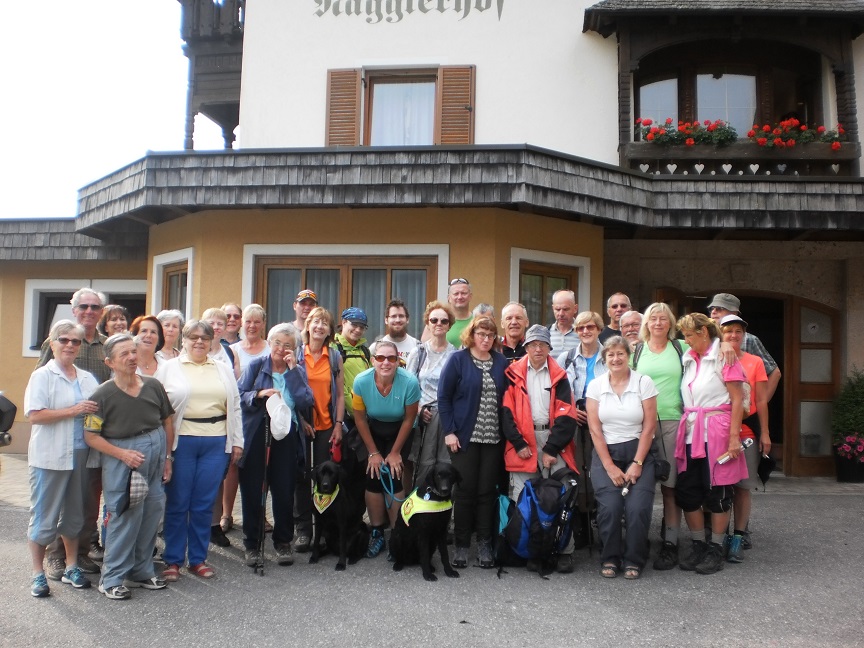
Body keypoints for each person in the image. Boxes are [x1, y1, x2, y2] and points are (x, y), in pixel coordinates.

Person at [83, 333, 175, 600]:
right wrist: (122, 454)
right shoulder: (101, 395)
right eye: (124, 354)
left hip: (155, 455)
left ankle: (140, 571)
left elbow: (167, 421)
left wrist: (167, 458)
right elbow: (91, 437)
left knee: (151, 514)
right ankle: (111, 579)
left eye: (133, 352)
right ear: (110, 362)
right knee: (124, 517)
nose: (132, 357)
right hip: (123, 459)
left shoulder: (153, 385)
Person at [155, 321, 244, 580]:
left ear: (211, 341)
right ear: (183, 340)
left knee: (204, 504)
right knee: (178, 502)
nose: (199, 342)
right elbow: (159, 408)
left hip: (216, 441)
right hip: (181, 441)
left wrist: (237, 441)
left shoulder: (222, 368)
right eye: (193, 337)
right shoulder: (169, 369)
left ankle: (197, 558)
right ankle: (172, 559)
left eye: (204, 337)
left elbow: (235, 405)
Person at [24, 320, 101, 597]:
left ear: (80, 346)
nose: (69, 345)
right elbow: (35, 415)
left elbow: (95, 413)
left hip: (80, 454)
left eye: (75, 341)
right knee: (44, 516)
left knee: (74, 515)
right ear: (52, 343)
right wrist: (74, 410)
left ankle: (71, 567)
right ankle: (37, 573)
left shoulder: (86, 378)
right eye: (64, 340)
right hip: (50, 456)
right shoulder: (43, 376)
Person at [37, 287, 109, 578]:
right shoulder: (57, 341)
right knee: (62, 498)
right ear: (74, 309)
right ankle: (56, 555)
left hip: (96, 432)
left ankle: (79, 552)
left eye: (95, 307)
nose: (89, 311)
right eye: (84, 306)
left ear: (101, 312)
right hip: (63, 433)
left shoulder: (107, 345)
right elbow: (42, 385)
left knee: (89, 497)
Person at [501, 324, 579, 573]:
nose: (537, 349)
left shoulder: (560, 375)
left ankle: (563, 551)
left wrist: (552, 449)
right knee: (524, 500)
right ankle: (531, 551)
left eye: (542, 345)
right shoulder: (512, 373)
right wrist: (520, 443)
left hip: (553, 439)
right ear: (526, 347)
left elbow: (567, 415)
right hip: (522, 440)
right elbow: (506, 413)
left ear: (549, 348)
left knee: (561, 496)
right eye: (533, 344)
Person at [675, 313, 747, 575]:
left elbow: (737, 400)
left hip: (717, 430)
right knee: (688, 490)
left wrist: (734, 437)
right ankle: (698, 543)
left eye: (689, 335)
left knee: (719, 493)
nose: (686, 340)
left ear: (704, 333)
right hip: (693, 432)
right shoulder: (689, 359)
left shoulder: (723, 357)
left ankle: (716, 547)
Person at [238, 323, 315, 567]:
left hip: (287, 434)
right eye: (277, 343)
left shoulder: (297, 370)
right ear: (269, 343)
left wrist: (293, 371)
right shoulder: (256, 366)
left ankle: (283, 542)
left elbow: (305, 401)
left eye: (288, 345)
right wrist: (259, 395)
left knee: (284, 489)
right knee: (253, 489)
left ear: (295, 349)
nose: (281, 349)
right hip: (258, 432)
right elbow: (239, 395)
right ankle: (252, 543)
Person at [438, 315, 508, 569]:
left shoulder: (501, 362)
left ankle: (485, 544)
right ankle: (462, 545)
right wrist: (450, 431)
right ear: (472, 335)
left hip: (493, 439)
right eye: (481, 334)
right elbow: (444, 398)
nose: (486, 339)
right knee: (465, 492)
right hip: (464, 438)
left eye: (490, 335)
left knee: (487, 493)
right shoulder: (458, 360)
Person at [586, 336, 658, 579]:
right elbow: (595, 430)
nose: (616, 359)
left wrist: (637, 464)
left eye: (621, 354)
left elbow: (649, 427)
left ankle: (634, 559)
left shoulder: (643, 383)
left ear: (628, 356)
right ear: (604, 359)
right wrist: (609, 466)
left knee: (638, 508)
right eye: (611, 355)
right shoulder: (596, 386)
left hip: (639, 451)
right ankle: (610, 557)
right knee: (611, 508)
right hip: (607, 452)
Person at [630, 302, 688, 571]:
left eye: (663, 318)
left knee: (670, 486)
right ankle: (636, 540)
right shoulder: (637, 351)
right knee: (640, 485)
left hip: (672, 422)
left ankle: (671, 542)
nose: (658, 323)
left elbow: (709, 352)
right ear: (647, 323)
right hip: (642, 424)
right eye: (653, 318)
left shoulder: (681, 349)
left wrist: (723, 345)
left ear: (671, 323)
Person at [352, 340, 421, 558]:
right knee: (373, 476)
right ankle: (377, 532)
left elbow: (410, 419)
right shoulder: (361, 381)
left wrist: (394, 453)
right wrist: (373, 453)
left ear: (398, 362)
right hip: (373, 429)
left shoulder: (409, 382)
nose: (385, 362)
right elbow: (360, 419)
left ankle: (397, 532)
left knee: (394, 475)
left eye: (391, 358)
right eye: (380, 358)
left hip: (401, 429)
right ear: (373, 361)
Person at [719, 313, 770, 562]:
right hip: (719, 428)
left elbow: (760, 400)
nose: (733, 335)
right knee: (719, 485)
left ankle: (738, 536)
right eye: (728, 331)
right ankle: (718, 535)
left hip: (747, 429)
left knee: (743, 487)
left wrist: (766, 433)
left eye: (738, 331)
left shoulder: (754, 361)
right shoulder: (713, 359)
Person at [294, 307, 345, 553]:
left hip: (326, 425)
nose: (319, 326)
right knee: (302, 478)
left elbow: (340, 394)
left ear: (330, 330)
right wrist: (300, 420)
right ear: (308, 325)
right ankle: (304, 531)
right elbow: (288, 390)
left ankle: (324, 531)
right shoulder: (296, 354)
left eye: (325, 323)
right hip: (301, 424)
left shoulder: (334, 357)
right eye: (316, 321)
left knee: (326, 479)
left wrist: (338, 424)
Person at [405, 300, 457, 489]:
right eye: (434, 320)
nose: (438, 324)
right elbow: (409, 385)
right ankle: (420, 505)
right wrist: (418, 409)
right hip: (424, 416)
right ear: (427, 322)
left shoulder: (456, 354)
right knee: (423, 463)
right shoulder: (418, 352)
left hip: (447, 416)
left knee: (445, 462)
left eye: (444, 321)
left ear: (449, 325)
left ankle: (443, 509)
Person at [707, 292, 782, 402]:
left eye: (720, 308)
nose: (714, 312)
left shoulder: (749, 339)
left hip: (742, 407)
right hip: (713, 407)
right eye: (712, 308)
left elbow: (775, 373)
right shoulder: (707, 339)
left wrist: (761, 402)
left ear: (734, 312)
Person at [333, 307, 372, 428]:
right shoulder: (333, 348)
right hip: (344, 415)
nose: (358, 330)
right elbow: (339, 387)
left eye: (362, 327)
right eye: (354, 325)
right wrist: (357, 412)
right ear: (344, 322)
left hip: (365, 414)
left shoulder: (365, 351)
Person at [370, 298, 420, 363]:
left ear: (407, 319)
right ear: (386, 320)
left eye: (401, 316)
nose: (397, 320)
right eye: (393, 316)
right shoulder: (375, 348)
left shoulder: (418, 346)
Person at [427, 278, 472, 346]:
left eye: (463, 293)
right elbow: (425, 349)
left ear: (470, 296)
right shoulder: (436, 321)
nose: (460, 297)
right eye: (456, 294)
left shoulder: (477, 321)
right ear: (449, 298)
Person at [231, 304, 270, 378]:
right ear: (242, 323)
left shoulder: (271, 349)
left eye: (257, 322)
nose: (252, 326)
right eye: (248, 322)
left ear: (263, 324)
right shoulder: (232, 350)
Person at [548, 289, 579, 354]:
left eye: (565, 309)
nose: (561, 314)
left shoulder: (584, 333)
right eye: (558, 309)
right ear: (553, 308)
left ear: (575, 309)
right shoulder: (546, 333)